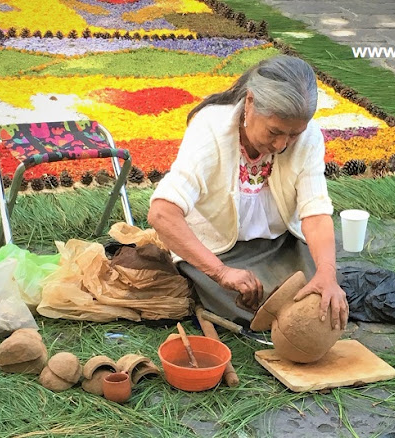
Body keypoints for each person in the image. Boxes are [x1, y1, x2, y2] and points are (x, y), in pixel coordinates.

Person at [147, 55, 348, 331]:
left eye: (293, 135)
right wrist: (221, 272)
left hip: (281, 243)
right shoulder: (211, 129)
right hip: (219, 249)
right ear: (250, 103)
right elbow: (162, 213)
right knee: (263, 310)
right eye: (274, 132)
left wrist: (327, 272)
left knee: (317, 301)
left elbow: (315, 212)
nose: (281, 144)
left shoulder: (308, 136)